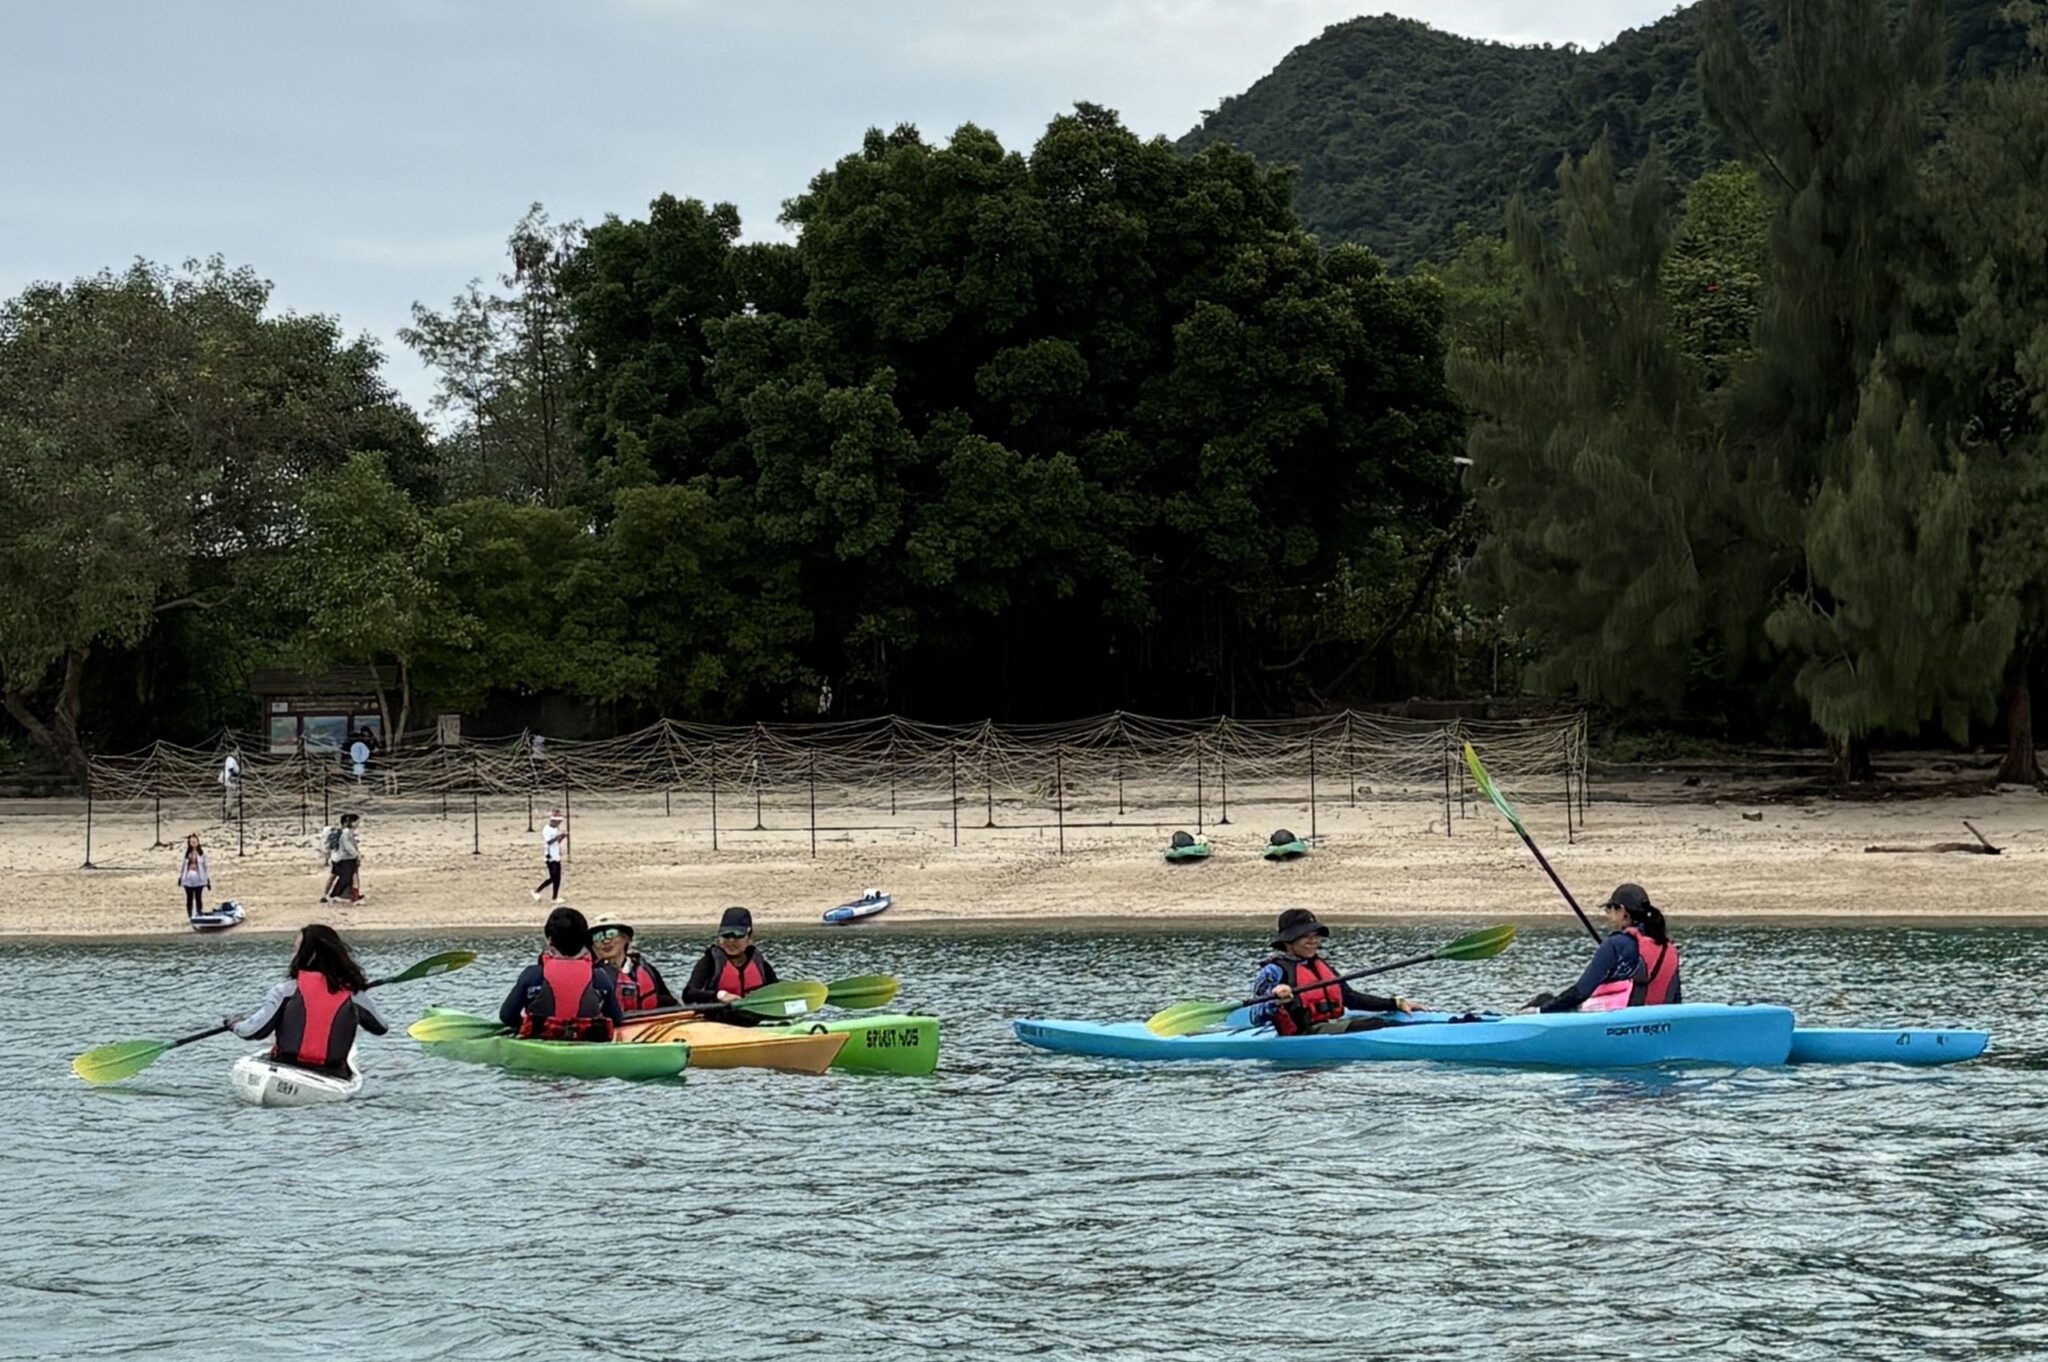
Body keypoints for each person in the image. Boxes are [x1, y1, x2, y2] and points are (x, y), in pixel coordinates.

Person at [225, 924, 388, 1075]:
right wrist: (359, 995)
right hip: (332, 1073)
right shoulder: (353, 994)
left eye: (295, 950)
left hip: (287, 1066)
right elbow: (380, 1027)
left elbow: (254, 1031)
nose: (292, 956)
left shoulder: (285, 991)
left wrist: (234, 1025)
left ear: (311, 955)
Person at [1251, 908, 1417, 1035]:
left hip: (1329, 1025)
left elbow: (1351, 999)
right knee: (1374, 1025)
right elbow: (1255, 1016)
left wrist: (1394, 1003)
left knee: (1382, 1021)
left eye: (1315, 935)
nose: (1313, 940)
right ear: (1287, 941)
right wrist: (1275, 1000)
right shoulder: (1273, 971)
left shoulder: (1319, 964)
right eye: (1305, 936)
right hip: (1302, 1033)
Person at [1532, 884, 1682, 1013]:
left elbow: (1580, 992)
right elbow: (1676, 1000)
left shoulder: (1615, 944)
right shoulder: (1669, 948)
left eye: (1609, 910)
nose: (1608, 916)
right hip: (1660, 1023)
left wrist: (1541, 1010)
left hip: (1624, 1025)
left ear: (1622, 911)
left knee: (1544, 999)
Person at [500, 905, 623, 1039]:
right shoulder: (599, 977)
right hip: (585, 1043)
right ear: (584, 940)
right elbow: (616, 1019)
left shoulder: (532, 975)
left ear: (550, 939)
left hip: (539, 1041)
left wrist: (524, 1025)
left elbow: (507, 1016)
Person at [682, 906, 779, 1025]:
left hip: (755, 1022)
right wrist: (720, 995)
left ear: (749, 936)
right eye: (726, 935)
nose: (731, 941)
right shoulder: (709, 962)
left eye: (738, 935)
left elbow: (777, 992)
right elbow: (689, 994)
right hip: (719, 1023)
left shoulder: (761, 964)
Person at [591, 921, 676, 1012]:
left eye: (611, 933)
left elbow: (670, 1003)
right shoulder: (591, 975)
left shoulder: (648, 970)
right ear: (593, 946)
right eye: (598, 936)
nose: (605, 941)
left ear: (626, 938)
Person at [322, 813, 362, 905]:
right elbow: (348, 846)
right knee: (349, 877)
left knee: (334, 875)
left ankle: (327, 894)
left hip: (336, 858)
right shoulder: (346, 833)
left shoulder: (341, 832)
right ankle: (340, 895)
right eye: (356, 822)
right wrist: (356, 855)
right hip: (345, 859)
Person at [533, 809, 567, 903]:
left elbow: (557, 842)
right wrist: (558, 837)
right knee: (553, 877)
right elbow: (549, 842)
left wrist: (561, 838)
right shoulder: (547, 829)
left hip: (556, 855)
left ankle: (554, 897)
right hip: (550, 856)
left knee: (557, 878)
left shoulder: (556, 829)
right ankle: (538, 891)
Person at [178, 833, 210, 919]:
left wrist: (207, 879)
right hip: (188, 878)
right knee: (189, 898)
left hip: (199, 879)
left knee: (198, 897)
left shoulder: (201, 854)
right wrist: (181, 877)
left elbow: (205, 867)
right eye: (191, 841)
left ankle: (199, 912)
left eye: (195, 841)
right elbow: (183, 866)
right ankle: (190, 915)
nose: (193, 843)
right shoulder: (187, 854)